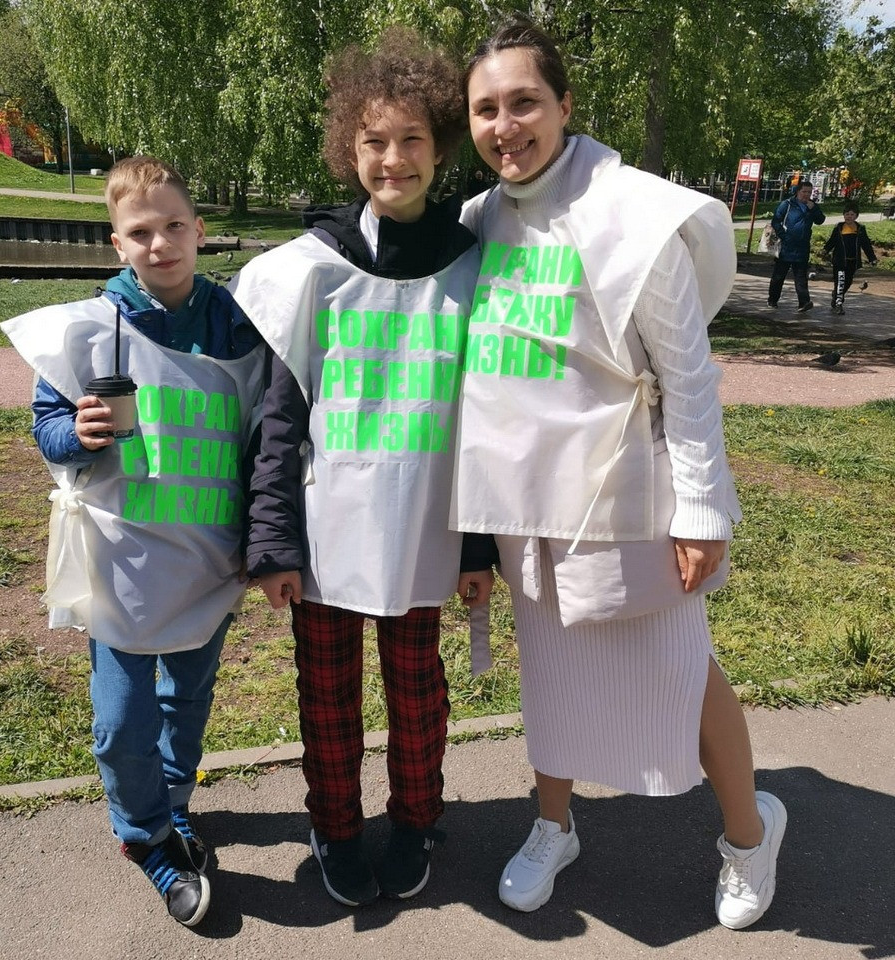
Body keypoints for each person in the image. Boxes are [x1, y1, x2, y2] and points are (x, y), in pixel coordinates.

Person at [454, 19, 787, 931]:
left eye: (525, 102)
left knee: (682, 667)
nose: (505, 125)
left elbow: (688, 379)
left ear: (565, 104)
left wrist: (703, 511)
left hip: (629, 494)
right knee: (549, 670)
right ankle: (553, 826)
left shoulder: (637, 217)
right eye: (486, 108)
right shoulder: (480, 221)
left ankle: (751, 833)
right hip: (527, 505)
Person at [230, 28, 496, 908]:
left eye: (413, 138)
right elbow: (279, 420)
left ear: (441, 147)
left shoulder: (472, 269)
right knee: (328, 698)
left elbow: (482, 427)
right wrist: (272, 544)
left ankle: (416, 819)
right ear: (350, 149)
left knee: (417, 694)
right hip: (326, 538)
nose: (394, 158)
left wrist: (478, 549)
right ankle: (336, 828)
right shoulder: (312, 271)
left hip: (426, 531)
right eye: (375, 140)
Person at [1, 156, 268, 927]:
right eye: (141, 232)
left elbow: (268, 426)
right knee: (122, 722)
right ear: (116, 242)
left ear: (200, 231)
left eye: (174, 226)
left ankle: (173, 805)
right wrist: (76, 434)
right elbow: (48, 426)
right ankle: (146, 836)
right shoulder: (89, 329)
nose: (160, 244)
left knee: (187, 700)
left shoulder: (235, 322)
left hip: (209, 555)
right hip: (122, 562)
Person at [767, 180, 825, 311]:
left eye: (809, 192)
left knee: (801, 276)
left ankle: (804, 302)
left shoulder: (812, 206)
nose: (806, 195)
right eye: (804, 192)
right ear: (798, 191)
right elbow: (776, 221)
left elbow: (820, 220)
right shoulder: (787, 204)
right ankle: (772, 300)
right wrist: (784, 236)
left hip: (802, 247)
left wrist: (814, 209)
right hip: (786, 246)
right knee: (779, 275)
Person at [823, 200, 877, 315]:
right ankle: (838, 305)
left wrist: (872, 258)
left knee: (847, 282)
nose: (849, 216)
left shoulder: (860, 229)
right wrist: (825, 250)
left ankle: (836, 296)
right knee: (840, 282)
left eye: (852, 214)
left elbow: (866, 244)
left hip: (853, 261)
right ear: (843, 215)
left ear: (856, 216)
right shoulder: (839, 228)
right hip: (839, 261)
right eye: (847, 214)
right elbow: (832, 241)